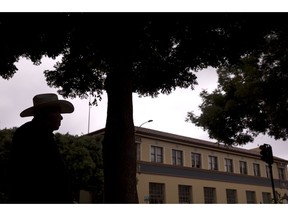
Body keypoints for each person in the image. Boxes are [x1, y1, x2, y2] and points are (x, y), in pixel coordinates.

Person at [7, 93, 75, 203]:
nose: (61, 117)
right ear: (46, 114)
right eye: (57, 112)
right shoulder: (32, 135)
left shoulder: (40, 134)